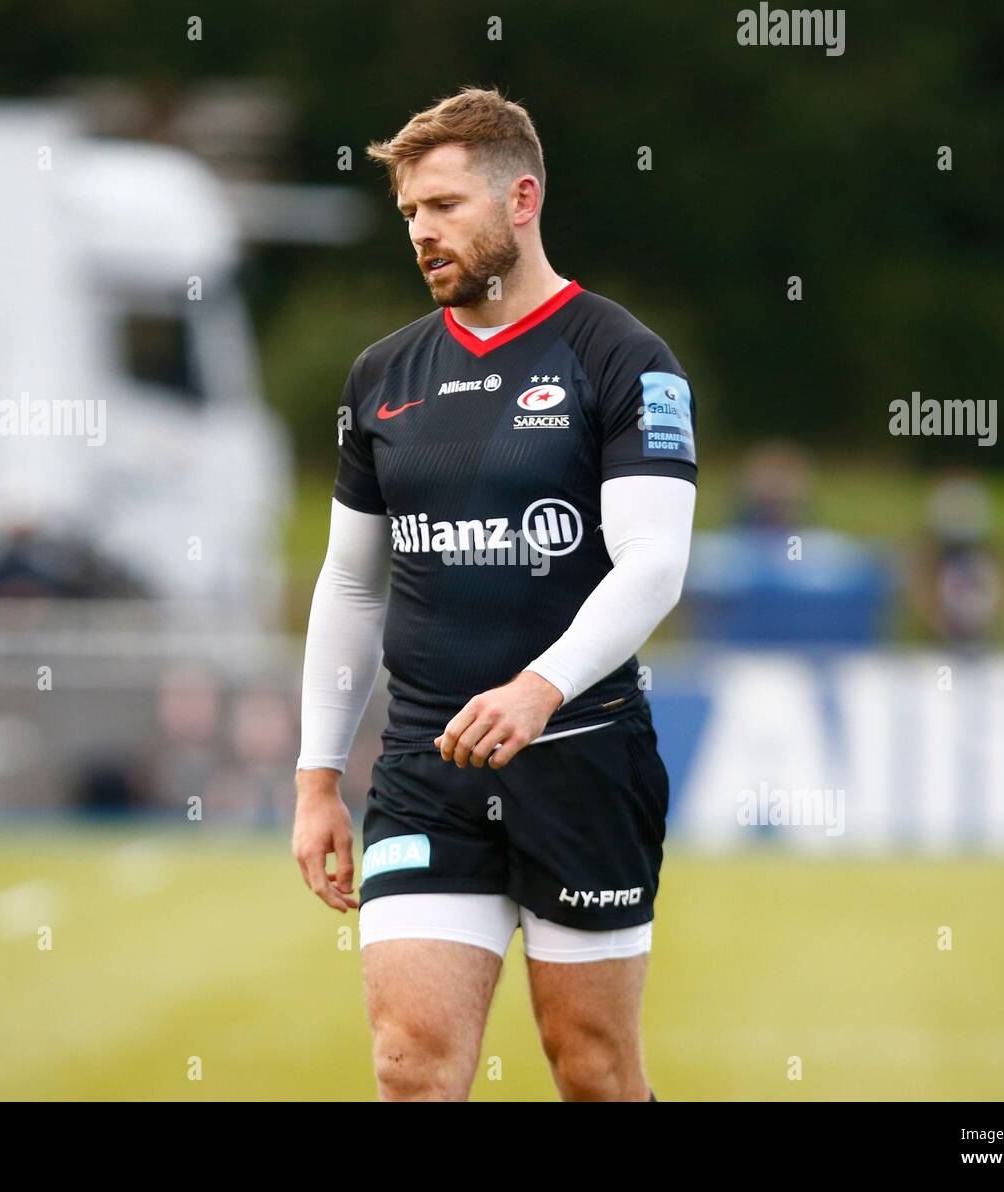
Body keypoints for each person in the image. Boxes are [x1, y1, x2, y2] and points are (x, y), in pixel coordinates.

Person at [292, 88, 697, 1102]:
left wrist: (538, 688)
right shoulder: (381, 376)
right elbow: (350, 581)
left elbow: (652, 561)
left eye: (443, 205)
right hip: (426, 769)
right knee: (410, 1065)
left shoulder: (622, 358)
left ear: (521, 200)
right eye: (410, 215)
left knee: (593, 1069)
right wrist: (314, 775)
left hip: (581, 760)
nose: (423, 233)